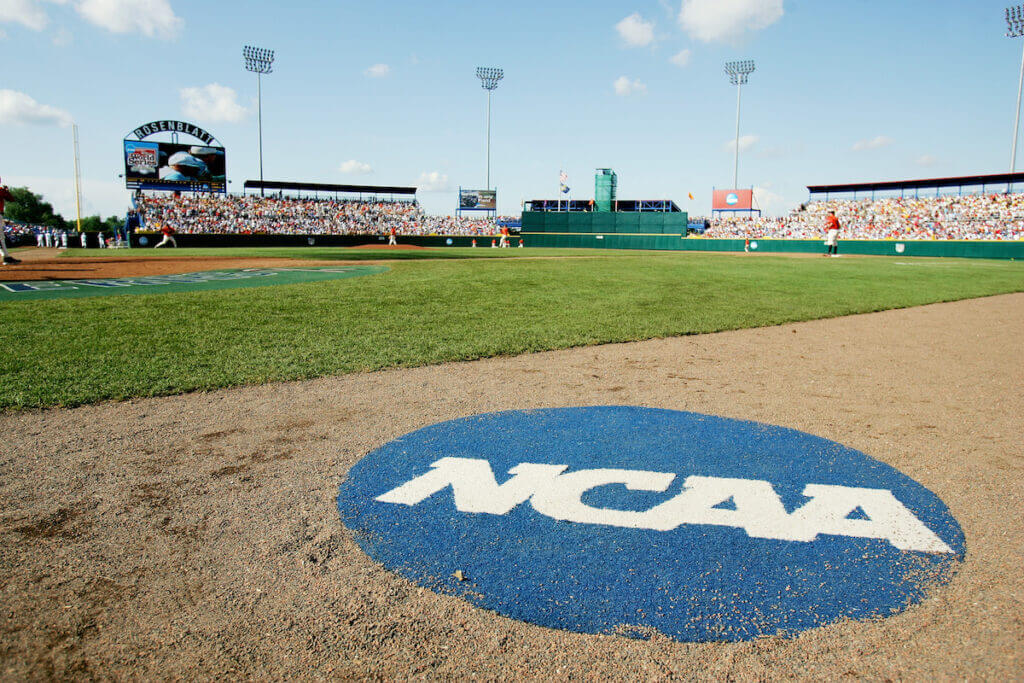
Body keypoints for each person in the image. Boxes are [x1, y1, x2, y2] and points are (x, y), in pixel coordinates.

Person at [0, 180, 20, 264]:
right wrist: (6, 191)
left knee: (1, 238)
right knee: (1, 238)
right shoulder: (1, 190)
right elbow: (11, 199)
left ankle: (6, 256)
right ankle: (7, 257)